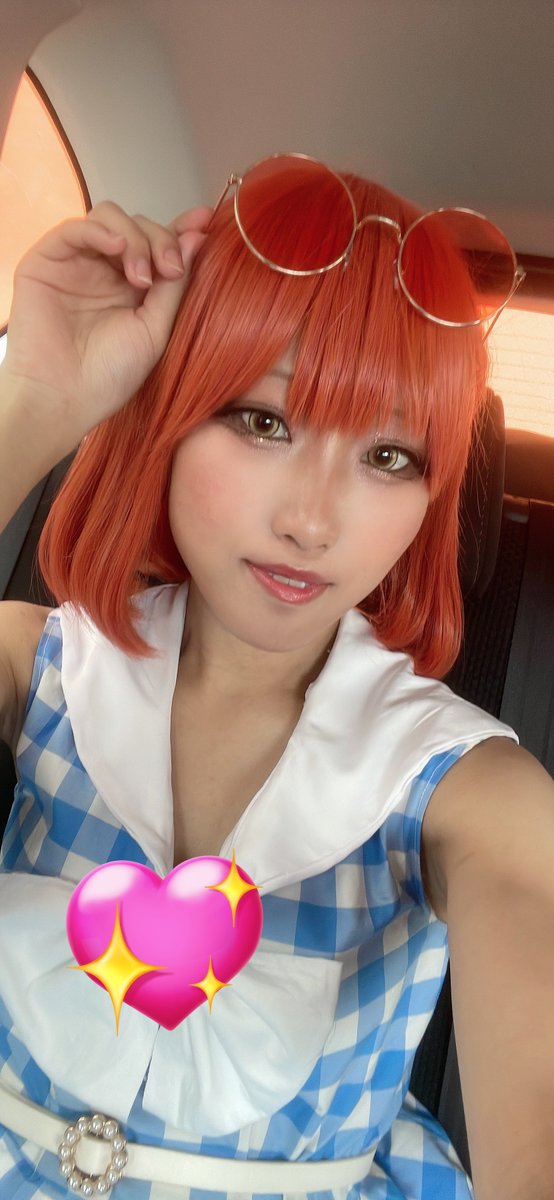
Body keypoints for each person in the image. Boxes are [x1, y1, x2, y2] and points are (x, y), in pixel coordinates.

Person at [0, 154, 552, 1200]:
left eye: (389, 457)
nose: (312, 520)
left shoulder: (464, 792)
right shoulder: (38, 668)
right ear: (170, 415)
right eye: (264, 420)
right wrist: (32, 401)